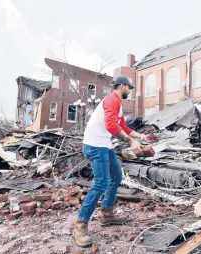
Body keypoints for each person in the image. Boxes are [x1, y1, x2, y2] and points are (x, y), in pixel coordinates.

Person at [73, 75, 156, 247]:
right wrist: (131, 142)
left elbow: (123, 127)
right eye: (129, 88)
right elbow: (111, 126)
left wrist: (142, 136)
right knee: (101, 183)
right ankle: (80, 224)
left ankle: (107, 214)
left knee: (116, 177)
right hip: (95, 146)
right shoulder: (111, 100)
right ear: (122, 86)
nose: (130, 91)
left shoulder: (117, 104)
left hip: (104, 145)